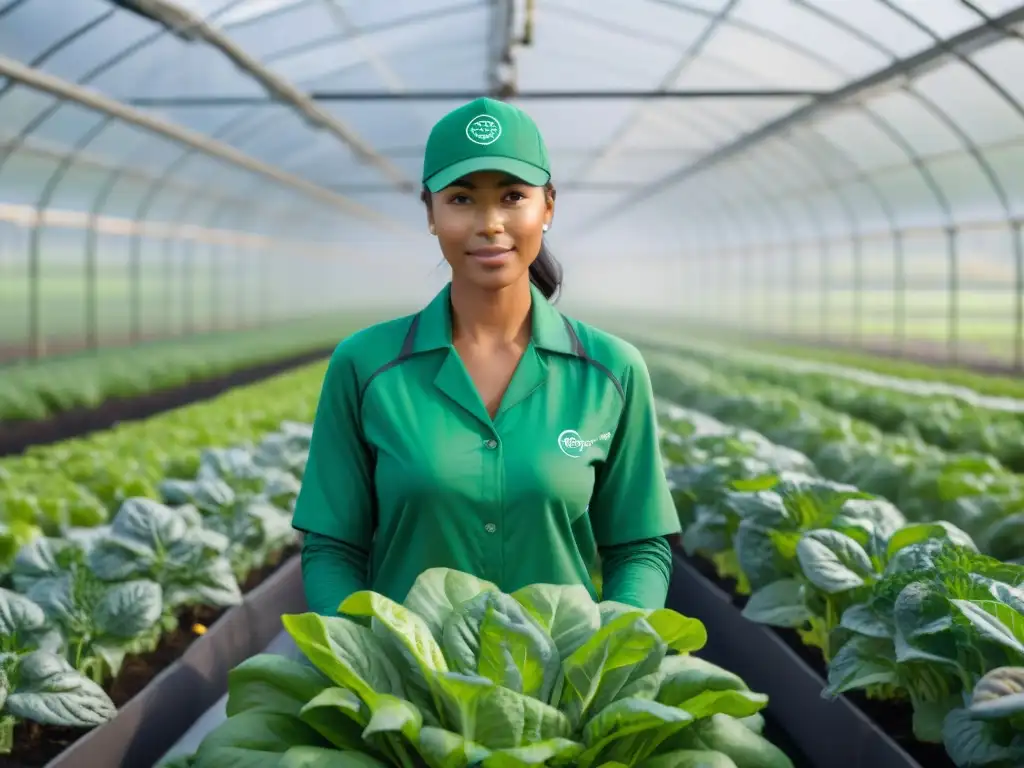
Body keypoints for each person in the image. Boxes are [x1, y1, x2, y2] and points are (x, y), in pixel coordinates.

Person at [292, 97, 681, 617]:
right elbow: (333, 548)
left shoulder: (611, 370)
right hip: (407, 689)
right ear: (430, 213)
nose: (490, 223)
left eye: (513, 196)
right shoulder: (366, 366)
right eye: (461, 200)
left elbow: (639, 547)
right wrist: (366, 659)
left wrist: (612, 651)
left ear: (548, 207)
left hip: (563, 686)